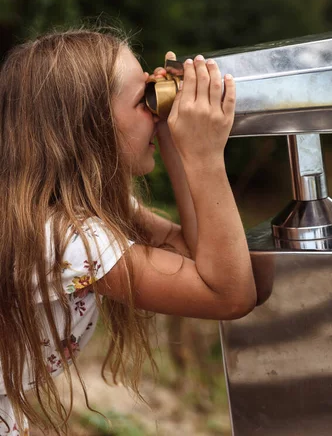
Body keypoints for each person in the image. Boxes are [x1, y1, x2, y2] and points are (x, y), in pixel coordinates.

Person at [0, 29, 256, 435]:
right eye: (145, 102)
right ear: (89, 127)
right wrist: (205, 157)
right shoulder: (63, 236)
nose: (158, 112)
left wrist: (174, 141)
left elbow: (194, 253)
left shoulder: (58, 210)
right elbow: (229, 294)